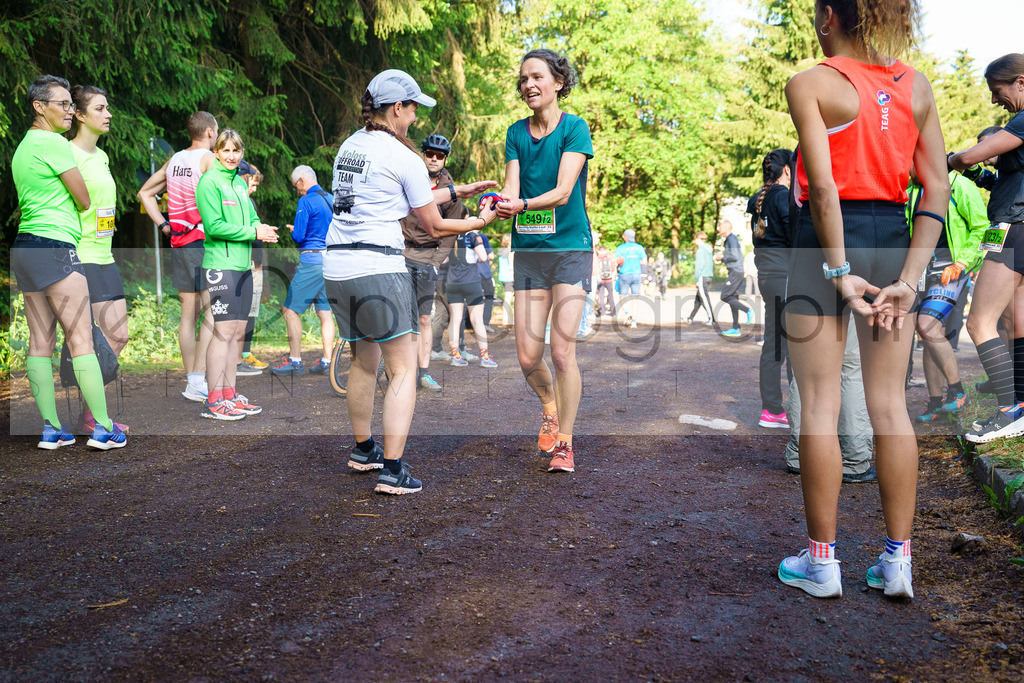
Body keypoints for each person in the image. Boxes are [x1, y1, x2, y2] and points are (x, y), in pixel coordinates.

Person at [777, 0, 949, 601]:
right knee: (889, 406)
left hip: (825, 245)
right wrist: (909, 276)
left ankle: (822, 563)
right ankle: (898, 561)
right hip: (893, 242)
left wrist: (838, 270)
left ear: (829, 16)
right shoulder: (916, 85)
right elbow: (937, 185)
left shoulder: (812, 83)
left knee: (821, 404)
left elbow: (822, 187)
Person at [326, 69, 497, 495]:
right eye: (413, 108)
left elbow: (398, 195)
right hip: (378, 268)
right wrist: (480, 219)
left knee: (365, 363)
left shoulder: (351, 146)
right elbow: (434, 225)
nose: (416, 117)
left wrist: (462, 188)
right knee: (403, 369)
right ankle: (393, 469)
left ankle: (364, 450)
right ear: (397, 107)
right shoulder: (404, 156)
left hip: (338, 266)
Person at [491, 49, 594, 474]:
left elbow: (565, 191)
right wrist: (502, 205)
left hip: (570, 249)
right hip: (530, 254)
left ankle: (565, 443)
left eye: (536, 77)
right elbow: (513, 185)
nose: (528, 85)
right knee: (528, 357)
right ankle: (549, 408)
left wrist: (522, 204)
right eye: (522, 79)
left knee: (563, 350)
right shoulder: (516, 132)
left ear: (557, 82)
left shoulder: (575, 129)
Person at [12, 75, 126, 450]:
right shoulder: (54, 144)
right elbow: (82, 198)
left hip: (25, 248)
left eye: (67, 103)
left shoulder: (23, 147)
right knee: (82, 342)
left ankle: (51, 430)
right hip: (57, 247)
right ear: (38, 107)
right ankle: (103, 428)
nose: (66, 110)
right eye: (60, 104)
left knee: (40, 341)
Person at [948, 54, 1024, 443]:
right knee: (1016, 320)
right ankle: (1021, 404)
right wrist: (973, 170)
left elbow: (968, 155)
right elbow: (1004, 178)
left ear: (1021, 82)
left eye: (998, 91)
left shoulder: (1023, 119)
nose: (995, 102)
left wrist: (947, 160)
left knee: (979, 322)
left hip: (1010, 227)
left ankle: (1010, 411)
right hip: (1017, 226)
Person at [194, 129, 279, 420]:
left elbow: (252, 217)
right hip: (220, 266)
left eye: (236, 151)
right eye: (225, 150)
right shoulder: (209, 182)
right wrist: (253, 231)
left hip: (243, 268)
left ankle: (229, 394)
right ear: (216, 152)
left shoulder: (240, 185)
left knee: (238, 334)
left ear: (242, 153)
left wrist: (261, 228)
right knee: (223, 332)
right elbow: (214, 226)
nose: (231, 156)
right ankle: (214, 398)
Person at [138, 111, 219, 403]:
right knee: (213, 309)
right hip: (201, 242)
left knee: (189, 312)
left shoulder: (173, 161)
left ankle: (193, 380)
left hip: (179, 241)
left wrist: (163, 224)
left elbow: (145, 193)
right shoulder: (209, 160)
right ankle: (198, 379)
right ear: (210, 132)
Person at [68, 84, 130, 435]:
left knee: (118, 335)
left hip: (105, 255)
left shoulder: (101, 157)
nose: (108, 114)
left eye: (108, 108)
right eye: (100, 108)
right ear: (79, 114)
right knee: (87, 340)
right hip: (81, 255)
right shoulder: (67, 154)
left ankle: (90, 411)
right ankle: (92, 417)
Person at [907, 169, 988, 422]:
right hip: (921, 270)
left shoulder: (959, 185)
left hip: (952, 269)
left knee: (926, 325)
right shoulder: (910, 192)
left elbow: (981, 227)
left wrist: (963, 262)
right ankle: (935, 403)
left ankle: (957, 391)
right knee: (931, 334)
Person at [401, 134, 465, 391]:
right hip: (400, 254)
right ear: (424, 154)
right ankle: (398, 369)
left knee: (424, 318)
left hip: (427, 259)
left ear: (445, 159)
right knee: (397, 315)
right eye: (430, 154)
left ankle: (424, 372)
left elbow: (452, 231)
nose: (434, 159)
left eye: (440, 156)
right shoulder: (408, 177)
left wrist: (437, 261)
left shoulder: (451, 192)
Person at [269, 165, 336, 377]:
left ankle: (295, 361)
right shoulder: (331, 199)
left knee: (290, 310)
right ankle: (327, 361)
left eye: (295, 186)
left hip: (312, 261)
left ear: (300, 181)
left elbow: (299, 236)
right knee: (325, 312)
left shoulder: (306, 201)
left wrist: (293, 230)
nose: (296, 190)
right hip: (330, 260)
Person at [748, 149, 793, 428]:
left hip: (768, 275)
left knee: (776, 343)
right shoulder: (783, 198)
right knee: (791, 344)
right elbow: (795, 236)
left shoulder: (758, 199)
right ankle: (778, 410)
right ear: (787, 170)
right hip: (784, 276)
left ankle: (773, 409)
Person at [445, 231, 498, 368]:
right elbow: (483, 256)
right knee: (477, 320)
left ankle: (456, 356)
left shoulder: (449, 235)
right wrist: (476, 258)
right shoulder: (472, 236)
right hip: (471, 282)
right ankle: (485, 358)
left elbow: (443, 260)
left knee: (455, 320)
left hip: (453, 282)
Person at [236, 161, 270, 375]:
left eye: (256, 186)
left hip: (253, 263)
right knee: (245, 310)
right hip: (245, 263)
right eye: (253, 183)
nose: (253, 189)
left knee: (251, 309)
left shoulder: (249, 202)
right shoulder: (241, 201)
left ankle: (244, 353)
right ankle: (241, 356)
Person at [715, 219, 752, 337]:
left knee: (725, 296)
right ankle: (736, 328)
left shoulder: (731, 239)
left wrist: (722, 257)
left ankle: (748, 310)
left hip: (735, 272)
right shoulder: (730, 239)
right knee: (732, 298)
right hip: (735, 271)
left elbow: (734, 256)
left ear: (726, 228)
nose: (718, 229)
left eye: (720, 227)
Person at [615, 228, 646, 328]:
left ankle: (627, 313)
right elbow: (644, 261)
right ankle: (634, 321)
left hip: (625, 275)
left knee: (622, 296)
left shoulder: (620, 248)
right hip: (636, 275)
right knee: (635, 298)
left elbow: (617, 261)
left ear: (626, 237)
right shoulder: (639, 248)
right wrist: (635, 262)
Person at [686, 231, 715, 325]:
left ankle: (712, 319)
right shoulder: (709, 249)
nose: (694, 242)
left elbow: (699, 266)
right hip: (708, 275)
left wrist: (697, 279)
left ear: (698, 239)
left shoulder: (700, 250)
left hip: (702, 276)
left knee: (704, 298)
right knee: (699, 298)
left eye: (695, 240)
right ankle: (691, 317)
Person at [595, 243, 617, 318]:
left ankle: (603, 312)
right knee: (610, 295)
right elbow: (613, 268)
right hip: (609, 280)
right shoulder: (609, 258)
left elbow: (597, 268)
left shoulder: (598, 258)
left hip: (601, 280)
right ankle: (613, 311)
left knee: (601, 296)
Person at [497, 233, 515, 324]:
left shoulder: (501, 251)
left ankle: (509, 318)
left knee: (508, 298)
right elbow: (511, 264)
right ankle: (506, 319)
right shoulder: (509, 251)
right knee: (508, 298)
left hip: (503, 276)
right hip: (509, 277)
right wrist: (513, 275)